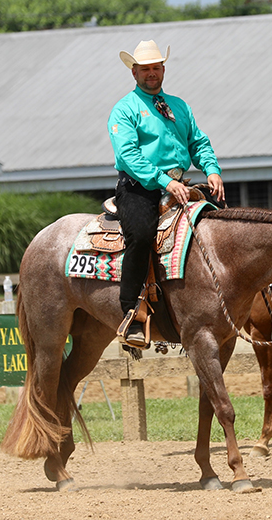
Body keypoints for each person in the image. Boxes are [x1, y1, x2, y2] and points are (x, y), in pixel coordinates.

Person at [108, 39, 225, 348]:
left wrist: (212, 170)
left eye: (156, 68)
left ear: (163, 69)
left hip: (181, 185)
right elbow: (129, 156)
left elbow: (198, 142)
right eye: (145, 69)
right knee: (142, 235)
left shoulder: (179, 105)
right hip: (139, 188)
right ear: (134, 72)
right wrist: (163, 181)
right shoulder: (125, 110)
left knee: (225, 227)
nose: (151, 73)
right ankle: (131, 312)